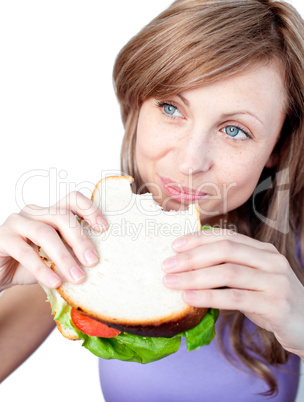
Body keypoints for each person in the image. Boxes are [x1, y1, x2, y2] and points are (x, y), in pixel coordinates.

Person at [0, 0, 304, 400]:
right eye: (170, 107)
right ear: (136, 105)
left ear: (277, 148)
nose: (189, 162)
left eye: (234, 130)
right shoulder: (81, 242)